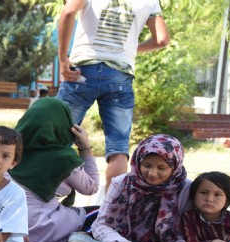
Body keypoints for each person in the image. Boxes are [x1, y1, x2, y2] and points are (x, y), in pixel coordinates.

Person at [56, 0, 170, 188]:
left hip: (82, 72)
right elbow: (162, 39)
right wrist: (132, 48)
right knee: (118, 148)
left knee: (57, 136)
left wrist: (62, 58)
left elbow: (68, 13)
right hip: (120, 77)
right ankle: (111, 208)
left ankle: (42, 199)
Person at [83, 134, 219, 242]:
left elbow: (189, 231)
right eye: (147, 165)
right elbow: (100, 225)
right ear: (138, 161)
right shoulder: (121, 183)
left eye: (162, 167)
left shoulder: (186, 189)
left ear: (175, 166)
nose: (152, 173)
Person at [8, 98, 100, 242]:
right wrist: (86, 149)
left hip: (7, 232)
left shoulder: (8, 151)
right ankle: (80, 237)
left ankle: (78, 237)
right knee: (100, 213)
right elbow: (91, 188)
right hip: (44, 231)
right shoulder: (62, 158)